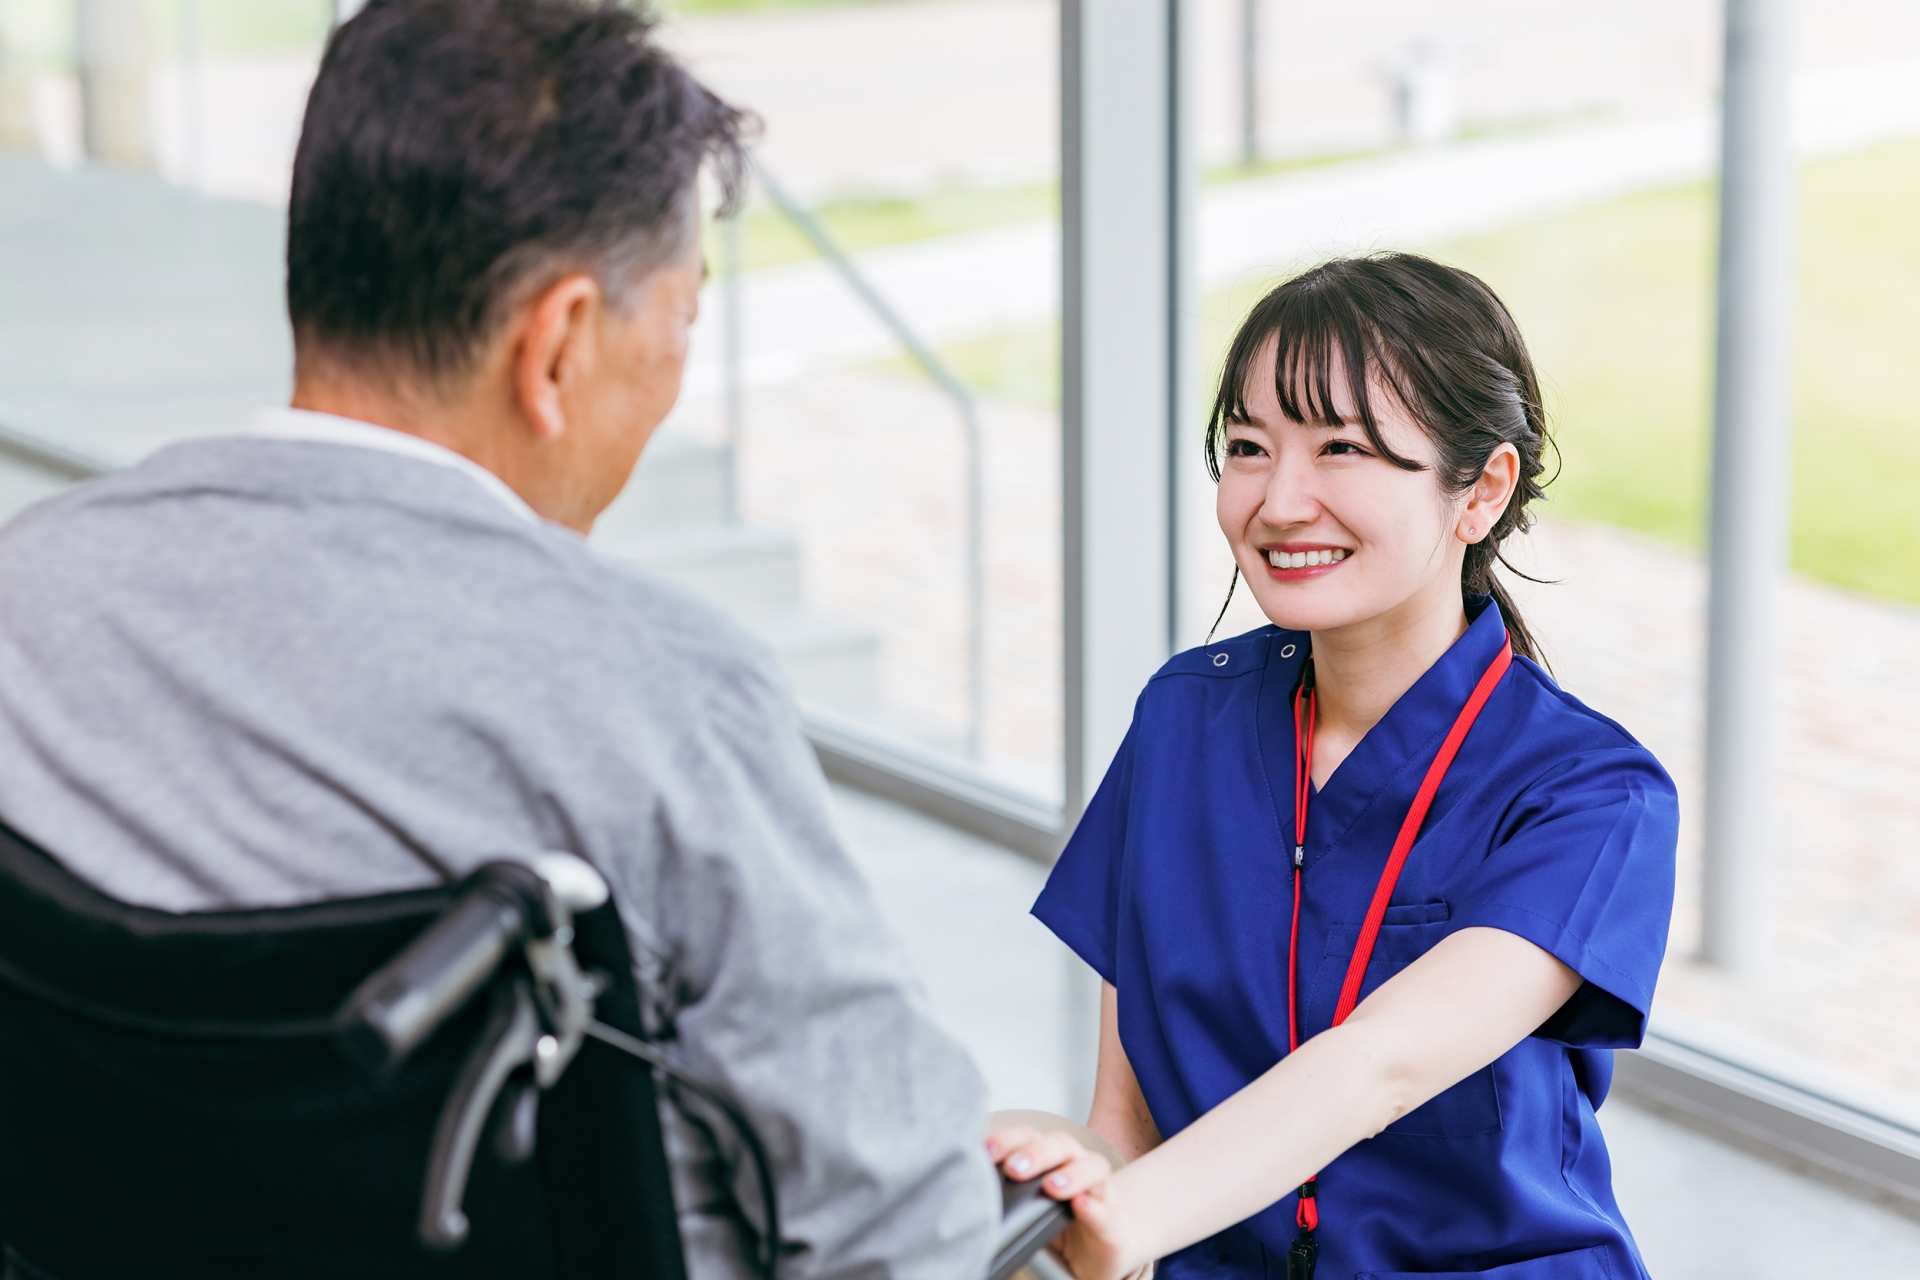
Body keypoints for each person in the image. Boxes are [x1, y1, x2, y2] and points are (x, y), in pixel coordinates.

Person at [0, 3, 1002, 1278]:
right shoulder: (661, 695)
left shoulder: (30, 591)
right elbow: (898, 1228)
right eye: (681, 324)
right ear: (559, 343)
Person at [990, 255, 1678, 1280]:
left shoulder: (1590, 794)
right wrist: (1060, 1179)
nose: (1277, 501)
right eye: (1248, 446)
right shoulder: (1183, 719)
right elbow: (1123, 1130)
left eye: (1343, 447)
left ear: (1480, 490)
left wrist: (1127, 1215)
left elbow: (1379, 1066)